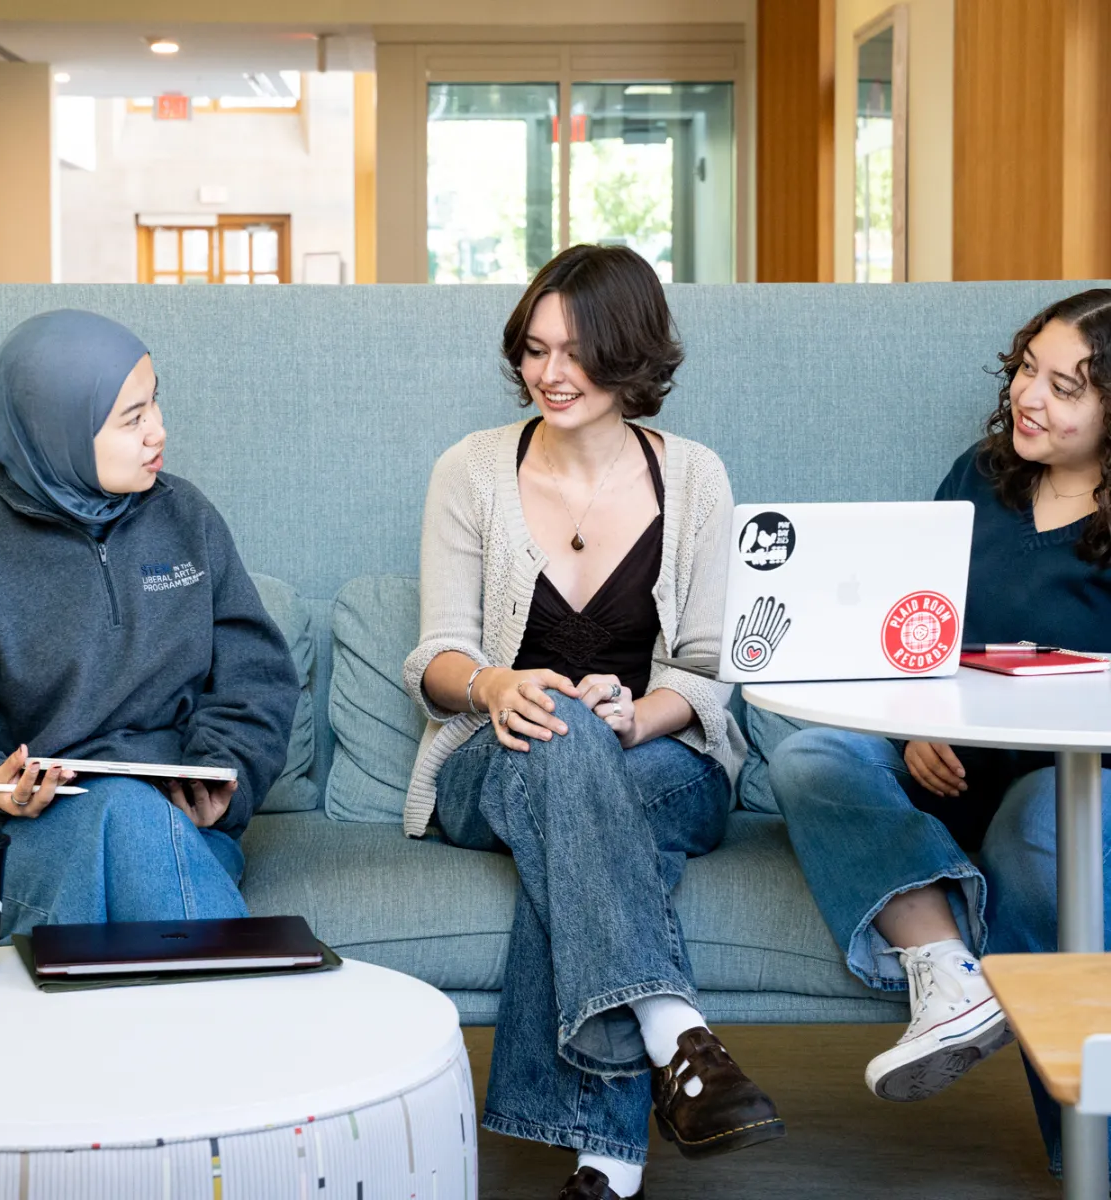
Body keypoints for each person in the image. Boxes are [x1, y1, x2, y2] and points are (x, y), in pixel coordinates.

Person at [402, 245, 784, 1200]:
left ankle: (608, 1158)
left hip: (661, 759)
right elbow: (435, 657)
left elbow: (706, 672)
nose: (551, 375)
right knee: (562, 743)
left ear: (632, 355)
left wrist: (638, 714)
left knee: (584, 776)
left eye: (576, 352)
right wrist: (494, 687)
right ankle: (673, 1036)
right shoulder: (471, 470)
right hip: (494, 758)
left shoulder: (694, 478)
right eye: (534, 351)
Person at [767, 287, 1111, 1177]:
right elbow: (913, 623)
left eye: (1068, 387)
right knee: (808, 754)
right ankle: (948, 975)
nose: (1031, 399)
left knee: (1039, 830)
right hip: (942, 767)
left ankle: (1089, 1163)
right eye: (1029, 370)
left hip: (1068, 781)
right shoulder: (980, 476)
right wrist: (915, 717)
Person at [0, 309, 298, 933]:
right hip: (27, 839)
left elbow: (257, 680)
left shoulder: (187, 517)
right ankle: (250, 1018)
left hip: (181, 831)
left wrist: (224, 775)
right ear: (56, 429)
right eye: (132, 419)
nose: (159, 433)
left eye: (155, 406)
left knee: (137, 821)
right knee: (120, 809)